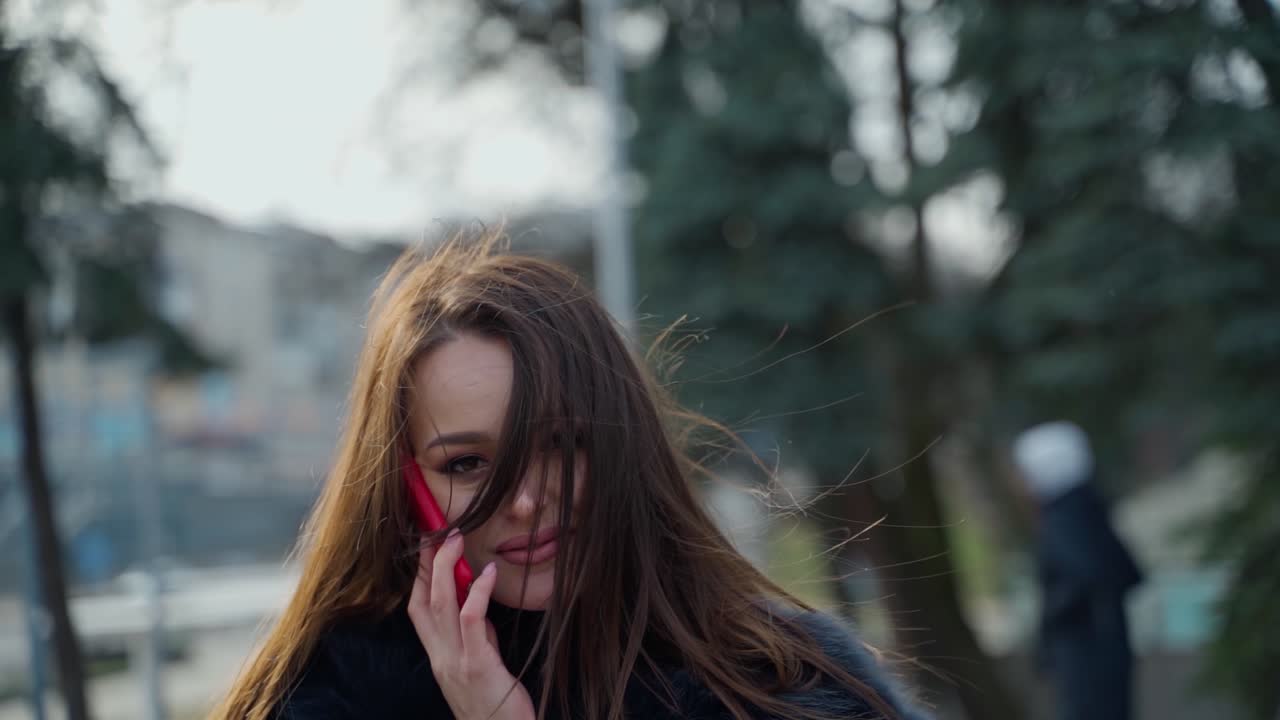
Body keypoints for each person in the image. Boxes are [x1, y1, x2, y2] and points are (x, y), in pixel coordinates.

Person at [212, 236, 929, 720]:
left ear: (621, 442)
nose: (526, 500)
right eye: (467, 463)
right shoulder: (325, 693)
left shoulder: (787, 683)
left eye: (560, 445)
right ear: (405, 485)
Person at [1013, 420, 1143, 720]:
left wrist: (1053, 619)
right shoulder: (1088, 509)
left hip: (1085, 652)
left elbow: (1086, 575)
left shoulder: (1065, 517)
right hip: (1105, 645)